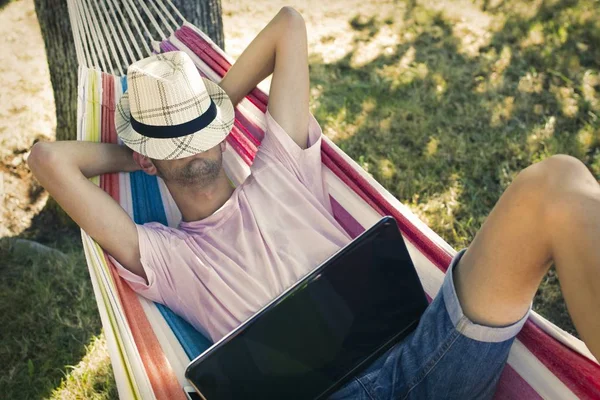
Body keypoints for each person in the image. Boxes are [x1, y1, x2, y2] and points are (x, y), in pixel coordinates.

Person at [28, 7, 599, 399]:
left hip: (427, 354)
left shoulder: (284, 168)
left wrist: (194, 127)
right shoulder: (166, 258)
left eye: (202, 125)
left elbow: (288, 26)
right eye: (169, 142)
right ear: (147, 158)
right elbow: (50, 161)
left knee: (556, 184)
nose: (191, 142)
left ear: (223, 126)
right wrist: (145, 152)